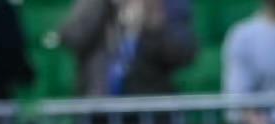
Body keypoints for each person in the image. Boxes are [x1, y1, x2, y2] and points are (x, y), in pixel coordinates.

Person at [59, 0, 200, 96]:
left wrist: (152, 24)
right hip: (98, 115)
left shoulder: (169, 4)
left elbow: (184, 53)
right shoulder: (95, 4)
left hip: (151, 113)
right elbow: (73, 37)